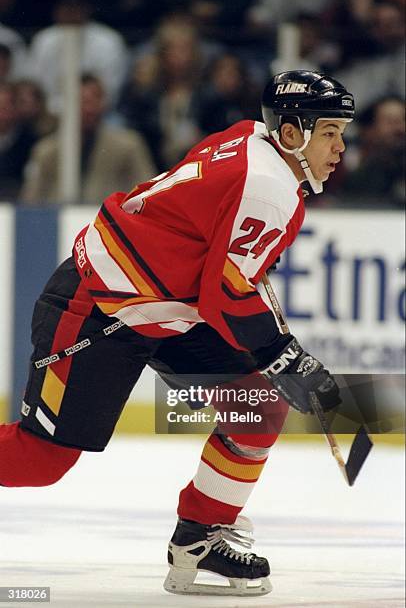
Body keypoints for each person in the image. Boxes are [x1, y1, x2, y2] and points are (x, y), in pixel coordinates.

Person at [0, 70, 354, 596]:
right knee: (40, 460)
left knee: (256, 406)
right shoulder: (268, 186)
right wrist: (283, 353)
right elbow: (227, 294)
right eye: (330, 132)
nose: (341, 147)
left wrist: (278, 354)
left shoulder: (250, 140)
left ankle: (200, 536)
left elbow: (220, 271)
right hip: (99, 309)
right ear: (291, 133)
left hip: (165, 306)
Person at [20, 74, 156, 204]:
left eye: (94, 100)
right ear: (68, 104)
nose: (89, 108)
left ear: (104, 103)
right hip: (56, 221)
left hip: (112, 223)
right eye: (82, 101)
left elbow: (148, 194)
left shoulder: (128, 146)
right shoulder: (46, 151)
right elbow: (30, 200)